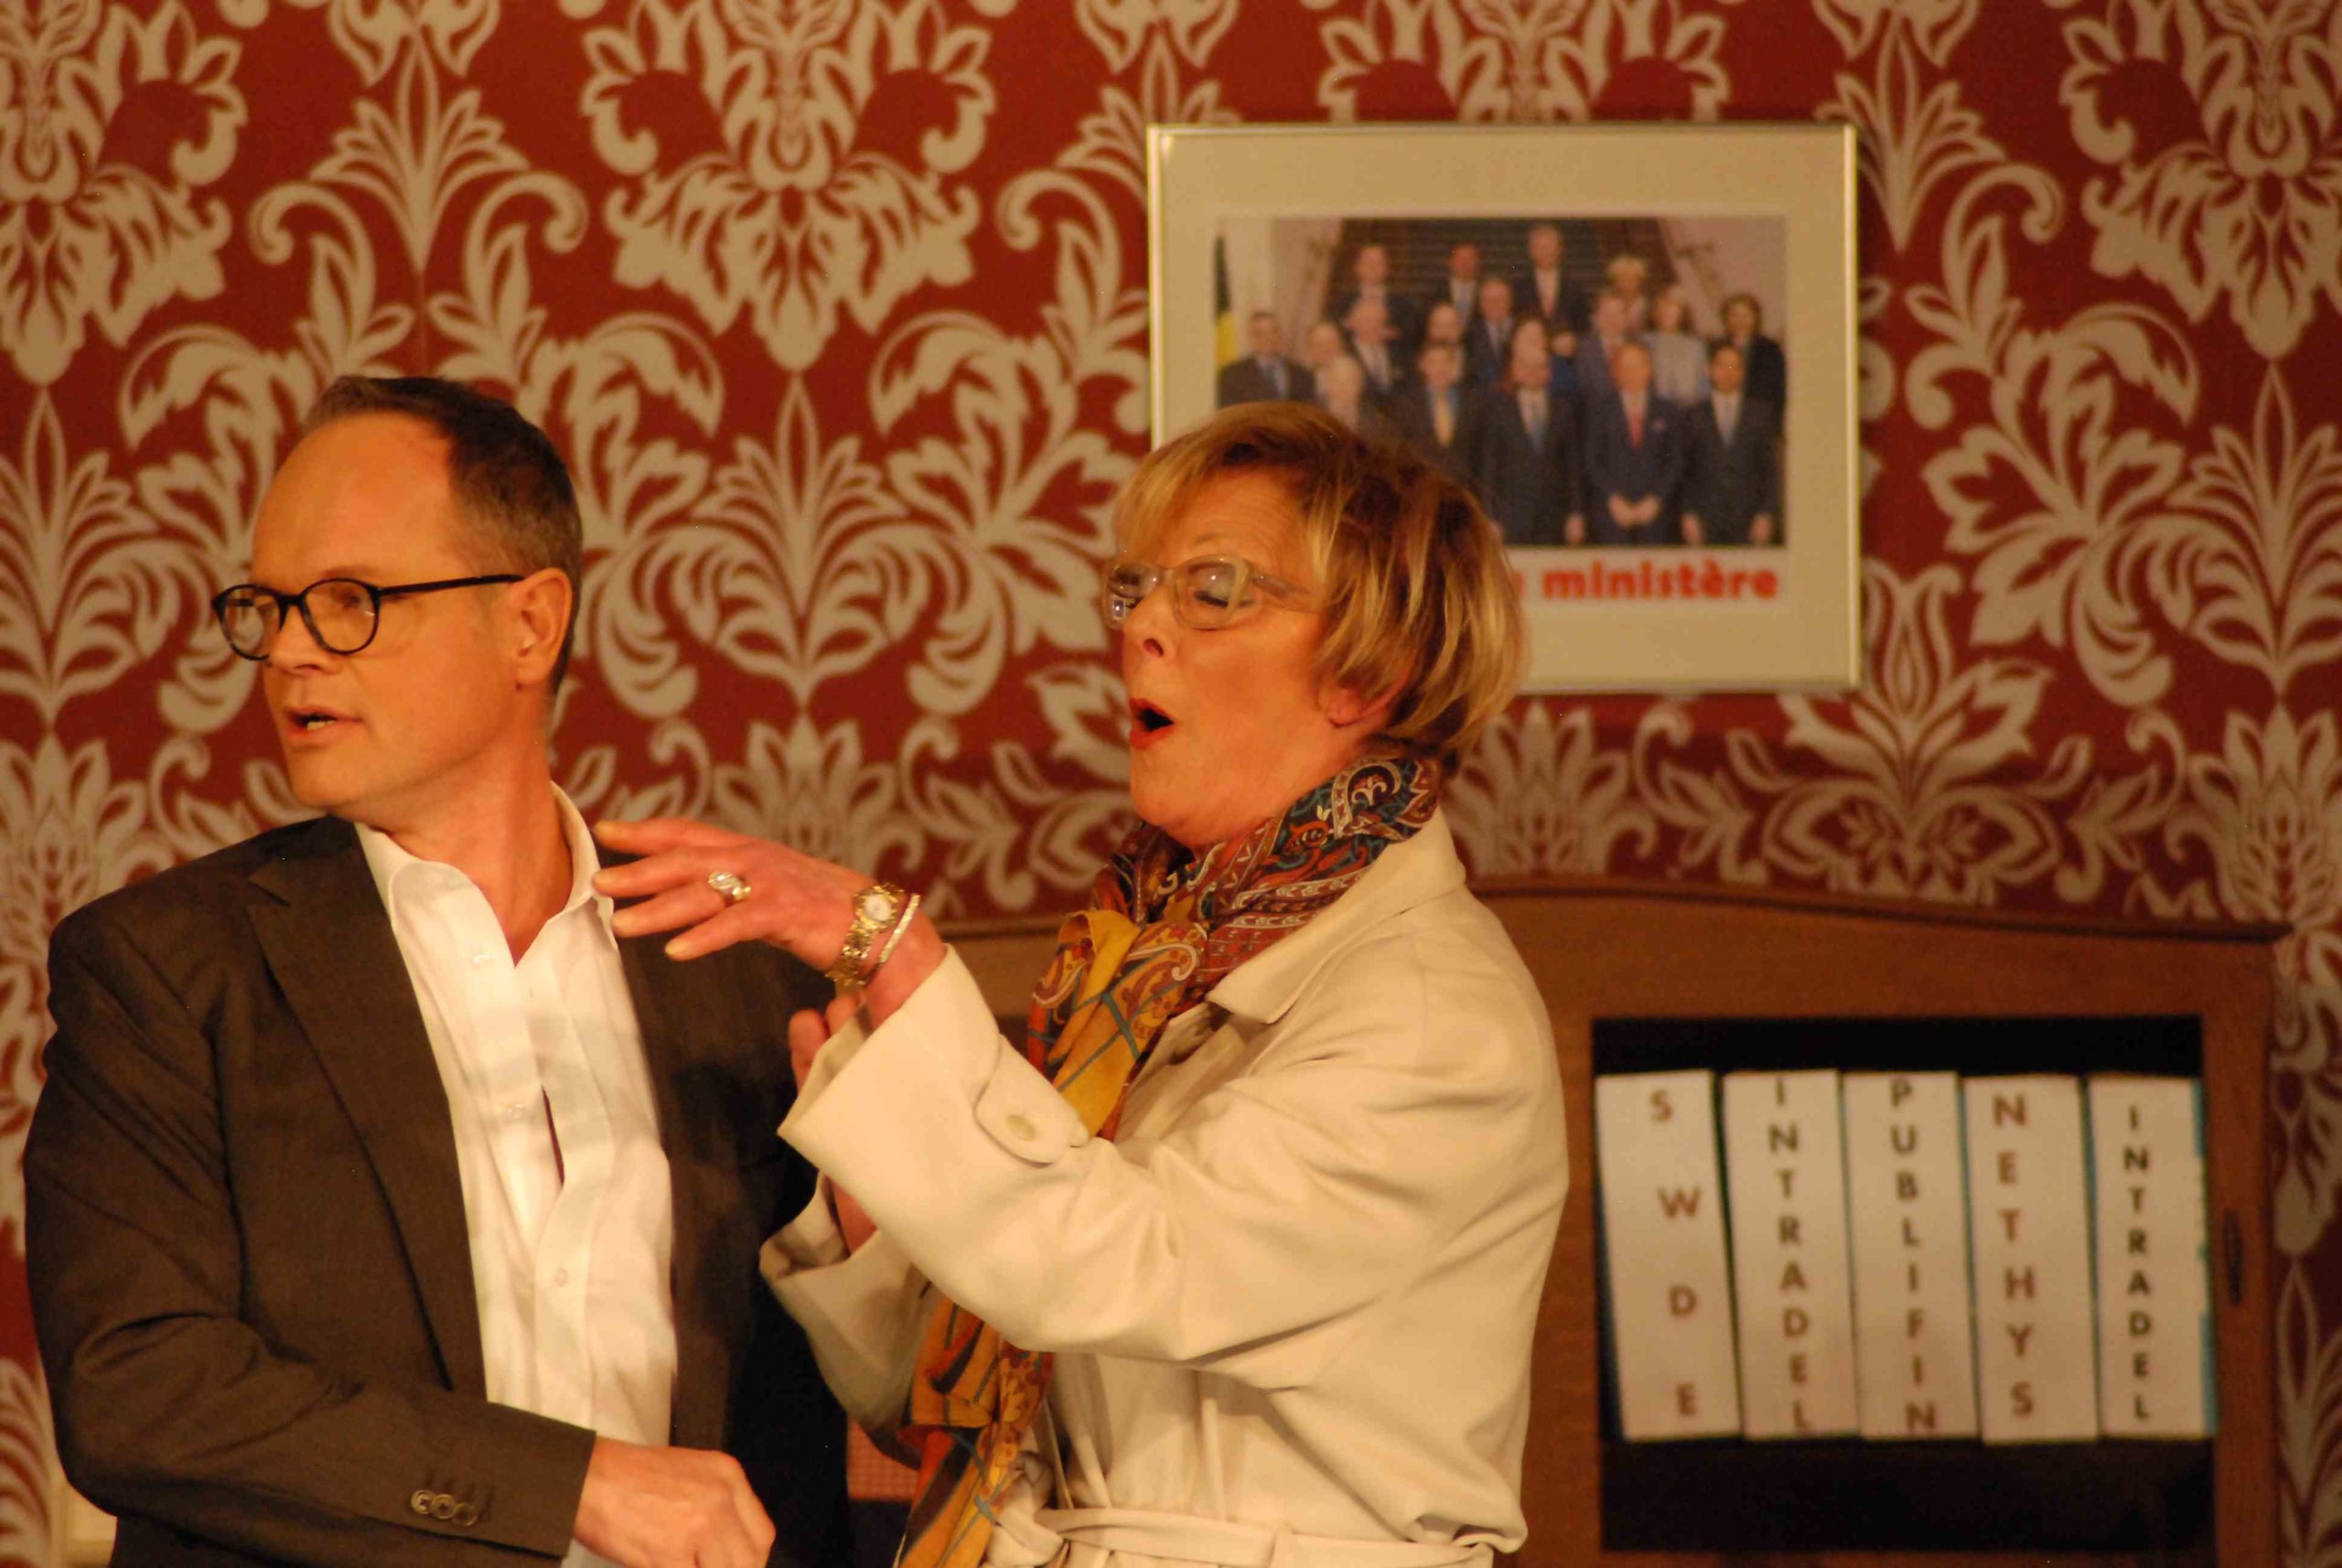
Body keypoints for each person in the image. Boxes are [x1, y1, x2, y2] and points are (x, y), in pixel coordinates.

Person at [594, 401, 1568, 1568]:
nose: (1142, 625)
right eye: (1136, 587)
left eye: (1214, 592)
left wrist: (898, 953)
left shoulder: (1432, 1014)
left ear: (1369, 671)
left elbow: (1121, 1264)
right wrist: (878, 1236)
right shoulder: (1145, 967)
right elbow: (952, 1410)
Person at [27, 376, 849, 1568]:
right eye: (270, 605)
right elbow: (140, 1388)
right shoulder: (166, 970)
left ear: (530, 626)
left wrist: (883, 1246)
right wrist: (569, 1486)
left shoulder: (738, 969)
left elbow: (861, 1403)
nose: (290, 651)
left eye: (349, 601)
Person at [1477, 317, 1582, 546]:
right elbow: (1489, 466)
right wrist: (1490, 516)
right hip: (1510, 516)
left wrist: (1575, 513)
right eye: (1525, 366)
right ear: (1514, 370)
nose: (1533, 372)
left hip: (1554, 517)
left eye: (1540, 366)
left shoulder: (1564, 409)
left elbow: (1572, 466)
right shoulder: (1498, 409)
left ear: (1549, 372)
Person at [1583, 338, 1686, 545]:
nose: (1632, 373)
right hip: (1611, 517)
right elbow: (1591, 461)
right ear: (1615, 373)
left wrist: (1656, 499)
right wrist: (1613, 499)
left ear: (1649, 370)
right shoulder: (1599, 411)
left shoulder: (1668, 411)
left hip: (1656, 517)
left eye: (1638, 366)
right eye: (1625, 368)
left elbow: (1675, 461)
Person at [1681, 339, 1782, 546]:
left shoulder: (1760, 414)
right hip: (1704, 519)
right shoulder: (1693, 415)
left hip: (1750, 519)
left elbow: (1770, 469)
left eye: (1734, 366)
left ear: (1742, 372)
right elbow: (1685, 470)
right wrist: (1688, 513)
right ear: (1710, 370)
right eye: (1721, 366)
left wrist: (1766, 514)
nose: (1727, 372)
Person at [1391, 338, 1487, 488]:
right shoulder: (1405, 404)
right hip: (1421, 485)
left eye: (1446, 362)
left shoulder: (1473, 402)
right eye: (1433, 363)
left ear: (1454, 365)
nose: (1440, 369)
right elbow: (1400, 450)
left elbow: (1480, 452)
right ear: (1422, 365)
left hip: (1462, 487)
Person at [1328, 241, 1422, 357]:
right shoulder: (1341, 302)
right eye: (1367, 262)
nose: (1372, 267)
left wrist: (1387, 334)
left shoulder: (1404, 304)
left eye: (1378, 263)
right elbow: (1332, 334)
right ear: (1357, 267)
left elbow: (1411, 337)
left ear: (1387, 268)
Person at [1512, 222, 1585, 353]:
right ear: (1531, 251)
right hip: (1530, 357)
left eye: (1550, 247)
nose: (1546, 252)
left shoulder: (1575, 286)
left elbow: (1583, 326)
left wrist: (1573, 340)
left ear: (1559, 250)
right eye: (1540, 247)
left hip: (1565, 359)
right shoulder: (1519, 287)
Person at [1216, 310, 1314, 407]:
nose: (1268, 338)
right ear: (1251, 337)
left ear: (1280, 334)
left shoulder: (1301, 374)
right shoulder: (1233, 375)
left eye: (1273, 331)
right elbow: (1229, 415)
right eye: (1260, 333)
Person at [1718, 291, 1788, 412]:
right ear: (1726, 318)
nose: (1740, 321)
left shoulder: (1770, 350)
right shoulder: (1716, 348)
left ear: (1756, 318)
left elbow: (1779, 390)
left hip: (1761, 414)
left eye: (1746, 315)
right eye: (1734, 315)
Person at [1641, 284, 1708, 408]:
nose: (1667, 313)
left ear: (1682, 313)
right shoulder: (1644, 342)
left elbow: (1703, 386)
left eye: (1672, 308)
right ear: (1654, 313)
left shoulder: (1696, 345)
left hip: (1689, 408)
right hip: (1656, 409)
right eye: (1662, 308)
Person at [1342, 295, 1403, 403]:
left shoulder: (1396, 353)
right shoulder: (1344, 353)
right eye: (1367, 320)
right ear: (1353, 323)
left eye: (1380, 320)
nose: (1374, 325)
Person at [1574, 290, 1634, 402]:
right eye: (1606, 313)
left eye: (1618, 312)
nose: (1612, 318)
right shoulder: (1584, 350)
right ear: (1595, 317)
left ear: (1627, 316)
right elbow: (1581, 392)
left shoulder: (1638, 347)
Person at [1466, 274, 1518, 390]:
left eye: (1500, 299)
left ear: (1510, 301)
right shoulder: (1470, 335)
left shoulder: (1523, 329)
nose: (1495, 305)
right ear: (1480, 304)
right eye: (1488, 300)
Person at [1427, 239, 1483, 326]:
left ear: (1478, 262)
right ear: (1449, 262)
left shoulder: (1486, 291)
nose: (1465, 263)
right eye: (1460, 258)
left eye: (1470, 258)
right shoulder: (1435, 292)